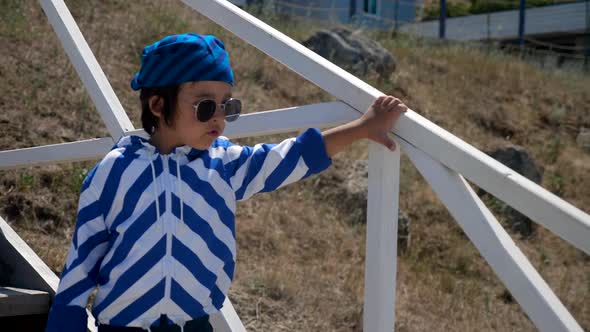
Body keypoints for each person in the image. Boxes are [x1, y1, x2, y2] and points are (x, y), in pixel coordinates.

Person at [45, 33, 407, 332]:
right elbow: (81, 263)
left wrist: (361, 129)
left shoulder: (223, 165)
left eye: (227, 106)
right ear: (157, 104)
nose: (218, 117)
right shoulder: (114, 173)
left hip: (196, 325)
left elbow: (289, 157)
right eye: (205, 107)